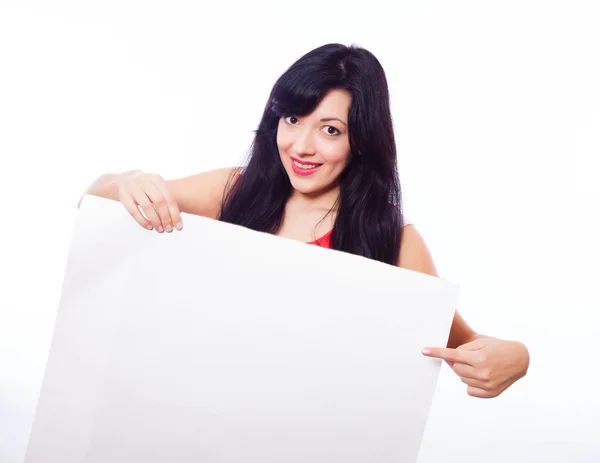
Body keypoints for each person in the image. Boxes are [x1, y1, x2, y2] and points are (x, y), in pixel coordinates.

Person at [81, 43, 529, 398]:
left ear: (362, 141)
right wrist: (128, 181)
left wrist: (520, 358)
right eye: (292, 119)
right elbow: (95, 199)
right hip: (192, 416)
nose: (301, 145)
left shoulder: (393, 239)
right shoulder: (233, 190)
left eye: (330, 129)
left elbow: (464, 348)